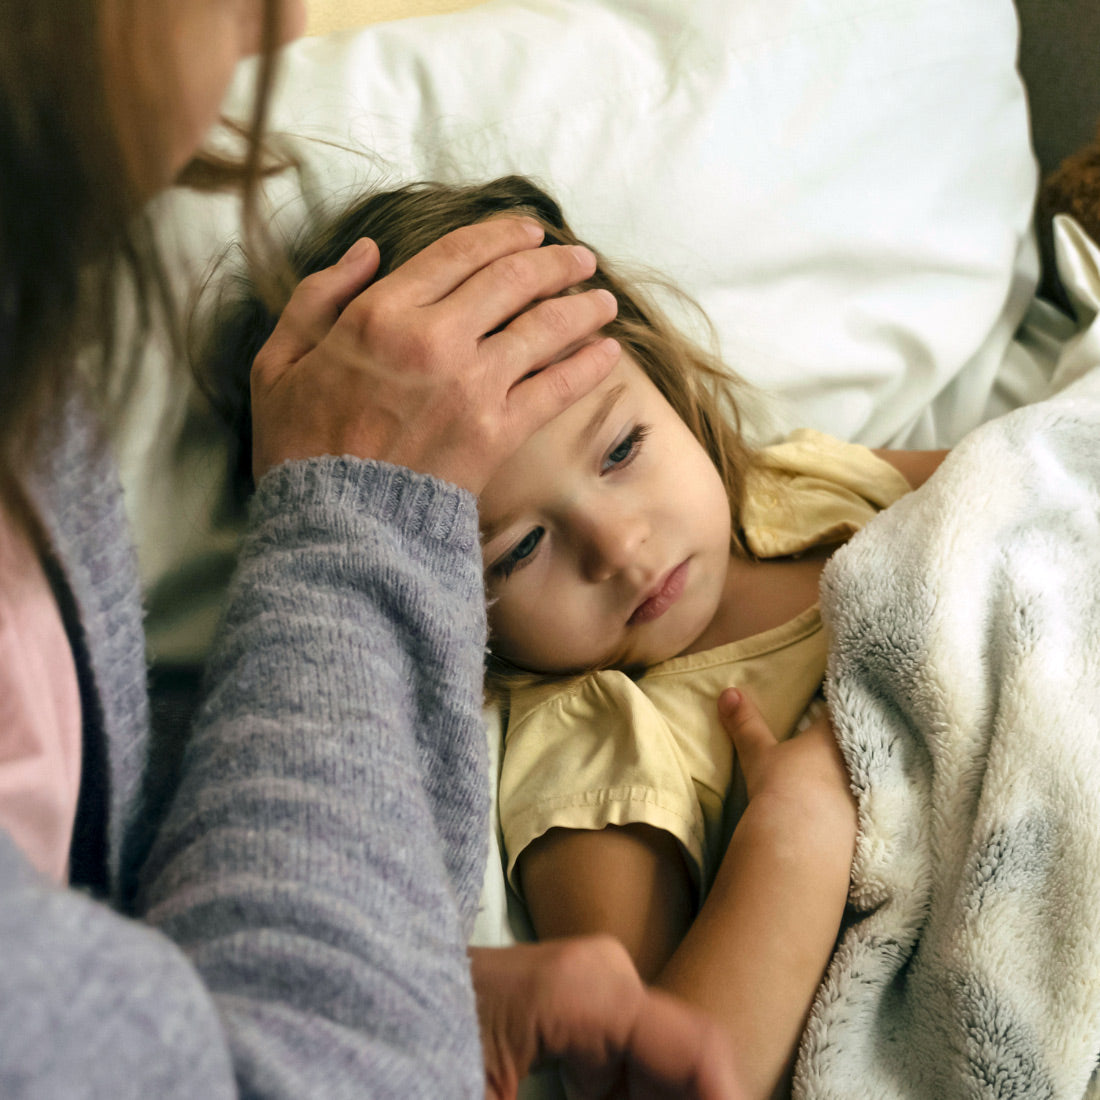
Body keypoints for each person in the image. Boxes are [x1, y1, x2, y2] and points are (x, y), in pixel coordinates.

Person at [0, 3, 746, 1096]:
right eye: (515, 545)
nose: (281, 23)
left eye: (623, 444)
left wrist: (386, 984)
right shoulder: (570, 752)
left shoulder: (36, 365)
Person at [201, 174, 948, 1097]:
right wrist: (794, 835)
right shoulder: (595, 735)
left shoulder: (804, 484)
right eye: (518, 552)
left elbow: (1038, 483)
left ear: (661, 377)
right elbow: (664, 1068)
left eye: (623, 449)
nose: (618, 546)